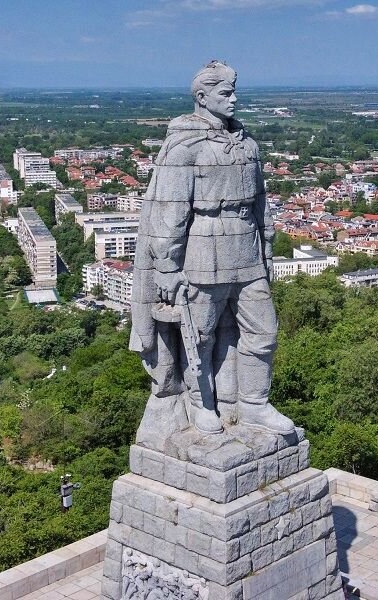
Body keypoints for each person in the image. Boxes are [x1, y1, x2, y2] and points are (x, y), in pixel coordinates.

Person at [130, 60, 294, 435]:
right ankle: (200, 404)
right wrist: (167, 267)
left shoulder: (247, 144)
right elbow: (169, 211)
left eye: (235, 91)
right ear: (202, 98)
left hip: (248, 252)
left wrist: (266, 248)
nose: (234, 99)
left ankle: (254, 404)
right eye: (226, 93)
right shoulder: (184, 146)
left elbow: (261, 203)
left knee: (264, 333)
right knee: (197, 336)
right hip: (203, 253)